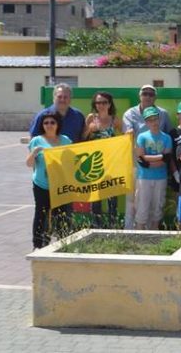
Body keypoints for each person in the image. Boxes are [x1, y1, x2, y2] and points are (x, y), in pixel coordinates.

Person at [122, 84, 172, 228]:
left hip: (158, 169)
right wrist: (150, 159)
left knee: (155, 202)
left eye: (151, 94)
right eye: (145, 93)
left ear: (155, 97)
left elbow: (169, 135)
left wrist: (155, 160)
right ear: (140, 96)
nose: (148, 96)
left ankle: (151, 231)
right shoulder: (129, 114)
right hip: (134, 163)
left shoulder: (164, 114)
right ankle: (130, 231)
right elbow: (128, 135)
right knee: (134, 199)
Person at [26, 111, 73, 249]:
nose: (49, 125)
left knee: (62, 214)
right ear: (42, 125)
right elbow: (29, 164)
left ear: (58, 124)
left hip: (60, 185)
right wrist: (34, 152)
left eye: (52, 122)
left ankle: (63, 243)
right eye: (46, 123)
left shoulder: (65, 140)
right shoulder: (36, 140)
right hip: (41, 184)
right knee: (41, 213)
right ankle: (39, 243)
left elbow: (71, 161)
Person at [82, 91, 122, 227]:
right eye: (98, 102)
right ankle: (96, 227)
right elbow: (83, 139)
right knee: (96, 199)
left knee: (112, 199)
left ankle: (112, 227)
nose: (101, 105)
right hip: (95, 165)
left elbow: (124, 140)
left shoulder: (115, 120)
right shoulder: (90, 118)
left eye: (104, 102)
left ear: (109, 104)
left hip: (111, 165)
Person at [134, 107, 172, 230]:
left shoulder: (166, 138)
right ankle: (139, 234)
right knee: (142, 207)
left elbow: (166, 160)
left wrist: (148, 160)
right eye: (150, 120)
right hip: (144, 177)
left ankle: (154, 232)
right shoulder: (142, 137)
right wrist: (160, 157)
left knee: (157, 207)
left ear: (159, 119)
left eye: (155, 119)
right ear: (146, 122)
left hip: (160, 177)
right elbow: (140, 157)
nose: (154, 122)